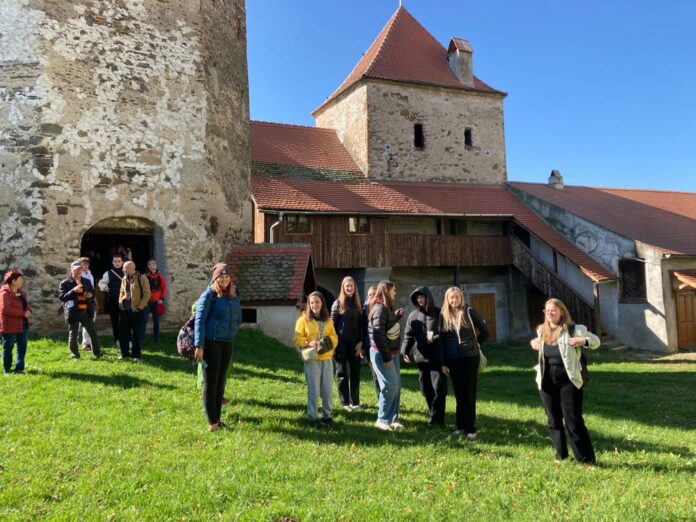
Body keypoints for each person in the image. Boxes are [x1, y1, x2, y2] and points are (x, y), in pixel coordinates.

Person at [531, 298, 600, 464]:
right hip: (546, 381)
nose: (550, 314)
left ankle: (586, 460)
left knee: (573, 421)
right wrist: (535, 343)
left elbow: (596, 342)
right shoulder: (542, 331)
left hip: (568, 382)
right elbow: (539, 347)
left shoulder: (574, 329)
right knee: (553, 420)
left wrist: (583, 341)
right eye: (547, 311)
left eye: (553, 310)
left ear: (562, 311)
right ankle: (560, 455)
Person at [193, 264, 241, 431]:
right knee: (211, 383)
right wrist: (199, 345)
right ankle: (212, 423)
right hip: (211, 342)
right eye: (221, 277)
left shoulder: (234, 295)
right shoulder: (209, 295)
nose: (224, 279)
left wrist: (235, 327)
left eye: (227, 277)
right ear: (215, 279)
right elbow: (199, 320)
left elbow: (238, 316)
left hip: (227, 342)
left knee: (221, 383)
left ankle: (218, 419)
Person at [438, 287, 489, 439]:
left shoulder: (469, 312)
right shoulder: (444, 316)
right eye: (451, 298)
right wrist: (443, 363)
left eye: (457, 297)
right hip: (453, 359)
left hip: (469, 358)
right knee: (459, 393)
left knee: (469, 393)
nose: (454, 300)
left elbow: (485, 332)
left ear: (461, 298)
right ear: (447, 299)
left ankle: (470, 428)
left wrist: (474, 344)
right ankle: (460, 426)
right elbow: (442, 341)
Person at [401, 286, 447, 427]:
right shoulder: (413, 316)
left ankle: (437, 419)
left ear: (428, 297)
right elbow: (408, 335)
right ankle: (433, 413)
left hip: (437, 358)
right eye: (417, 298)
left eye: (422, 297)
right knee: (426, 389)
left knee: (439, 388)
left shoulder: (439, 313)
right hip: (421, 358)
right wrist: (404, 351)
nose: (420, 300)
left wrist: (435, 337)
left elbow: (446, 333)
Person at [294, 291, 338, 428]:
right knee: (313, 389)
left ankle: (327, 416)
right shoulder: (302, 320)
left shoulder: (328, 320)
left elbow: (335, 338)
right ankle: (312, 417)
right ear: (309, 304)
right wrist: (308, 342)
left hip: (326, 358)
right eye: (312, 302)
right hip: (312, 359)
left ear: (322, 303)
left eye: (317, 302)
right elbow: (296, 339)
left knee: (328, 389)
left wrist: (326, 343)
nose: (314, 305)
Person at [368, 280, 404, 431]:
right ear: (387, 291)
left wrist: (396, 316)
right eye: (393, 290)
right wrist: (386, 357)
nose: (395, 293)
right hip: (382, 353)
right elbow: (378, 334)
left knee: (396, 386)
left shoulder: (386, 308)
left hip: (392, 352)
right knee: (389, 386)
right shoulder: (379, 308)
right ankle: (382, 419)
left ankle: (393, 419)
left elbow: (385, 325)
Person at [330, 276, 364, 412]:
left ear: (354, 288)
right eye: (347, 286)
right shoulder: (337, 303)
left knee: (356, 372)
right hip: (340, 343)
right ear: (343, 289)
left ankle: (355, 402)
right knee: (342, 373)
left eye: (351, 286)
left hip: (355, 343)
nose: (349, 288)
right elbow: (331, 326)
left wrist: (361, 342)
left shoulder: (358, 303)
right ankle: (345, 403)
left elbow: (362, 325)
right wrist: (333, 346)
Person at [58, 261, 102, 359]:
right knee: (73, 334)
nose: (78, 271)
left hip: (86, 311)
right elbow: (62, 297)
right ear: (71, 270)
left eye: (80, 269)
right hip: (73, 311)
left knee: (92, 332)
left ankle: (97, 353)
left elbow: (92, 293)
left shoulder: (86, 281)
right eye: (76, 269)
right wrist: (73, 291)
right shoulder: (65, 283)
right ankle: (75, 355)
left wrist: (90, 295)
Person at [118, 261, 150, 361]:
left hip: (137, 311)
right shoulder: (124, 279)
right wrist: (121, 304)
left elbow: (147, 295)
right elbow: (121, 292)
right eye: (123, 268)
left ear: (132, 268)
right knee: (123, 333)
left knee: (136, 335)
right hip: (125, 311)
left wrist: (140, 308)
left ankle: (136, 355)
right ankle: (124, 354)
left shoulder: (142, 278)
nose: (123, 269)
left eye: (125, 267)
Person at [1, 270, 31, 374]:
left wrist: (28, 310)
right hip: (9, 326)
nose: (22, 280)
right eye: (20, 278)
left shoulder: (20, 291)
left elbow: (26, 304)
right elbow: (5, 309)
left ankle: (20, 368)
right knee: (8, 348)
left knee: (22, 347)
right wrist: (23, 314)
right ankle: (7, 370)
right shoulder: (4, 293)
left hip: (23, 325)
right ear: (13, 281)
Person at [98, 254, 125, 343]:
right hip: (112, 300)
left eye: (119, 261)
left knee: (125, 320)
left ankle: (126, 338)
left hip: (125, 301)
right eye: (115, 261)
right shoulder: (108, 273)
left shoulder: (127, 272)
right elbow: (101, 284)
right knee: (114, 320)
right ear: (112, 262)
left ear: (122, 262)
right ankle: (117, 339)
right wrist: (106, 288)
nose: (117, 263)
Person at [141, 258, 166, 343]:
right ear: (148, 266)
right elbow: (141, 289)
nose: (154, 265)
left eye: (154, 263)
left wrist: (162, 299)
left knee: (156, 321)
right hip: (147, 302)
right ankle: (141, 338)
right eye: (151, 264)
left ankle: (156, 338)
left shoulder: (160, 276)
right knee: (143, 320)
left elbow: (163, 288)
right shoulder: (144, 276)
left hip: (157, 302)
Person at [362, 285, 380, 399]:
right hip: (369, 346)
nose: (372, 297)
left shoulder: (382, 307)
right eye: (370, 295)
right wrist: (363, 346)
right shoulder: (364, 309)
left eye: (374, 294)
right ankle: (380, 398)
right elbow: (363, 329)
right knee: (375, 374)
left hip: (381, 345)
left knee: (382, 373)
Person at [78, 257, 96, 352]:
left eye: (87, 264)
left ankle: (89, 343)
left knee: (90, 322)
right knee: (85, 323)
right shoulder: (78, 275)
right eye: (83, 264)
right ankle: (86, 344)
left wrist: (94, 298)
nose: (85, 266)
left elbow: (92, 288)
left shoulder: (90, 274)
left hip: (90, 300)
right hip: (82, 301)